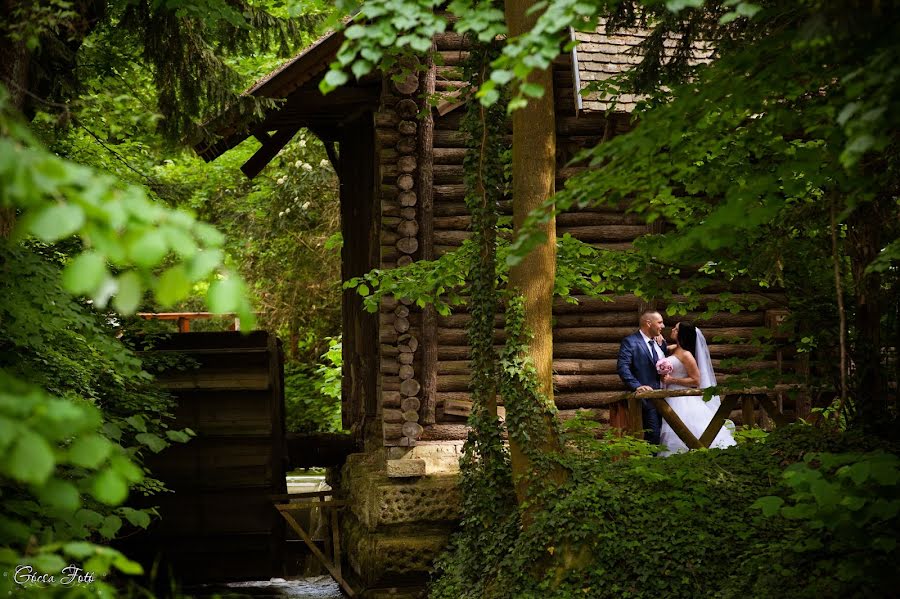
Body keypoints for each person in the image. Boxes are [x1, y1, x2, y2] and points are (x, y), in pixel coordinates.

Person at [657, 321, 736, 456]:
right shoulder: (674, 348)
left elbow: (696, 380)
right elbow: (662, 348)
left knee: (685, 427)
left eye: (675, 329)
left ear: (682, 334)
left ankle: (692, 453)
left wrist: (672, 380)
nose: (672, 330)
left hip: (682, 398)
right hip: (670, 395)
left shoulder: (686, 355)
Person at [617, 310, 669, 446]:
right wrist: (637, 386)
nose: (663, 326)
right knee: (653, 434)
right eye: (660, 322)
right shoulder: (630, 342)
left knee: (666, 434)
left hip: (667, 397)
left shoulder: (660, 342)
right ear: (648, 323)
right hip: (647, 399)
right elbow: (623, 367)